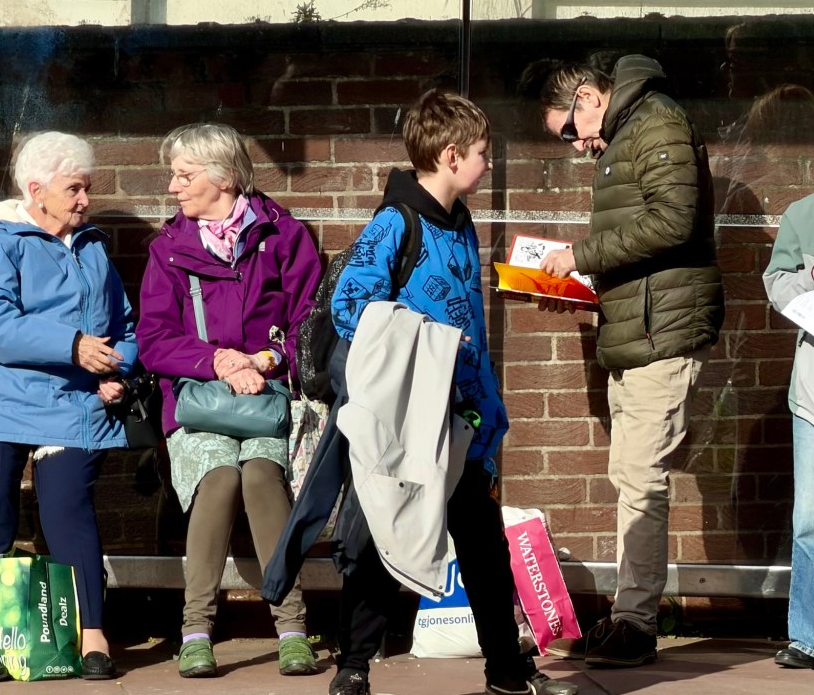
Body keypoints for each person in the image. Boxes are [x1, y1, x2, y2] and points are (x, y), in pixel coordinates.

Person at [325, 89, 577, 695]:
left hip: (464, 416)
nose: (488, 164)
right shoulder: (396, 222)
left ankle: (507, 672)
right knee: (396, 541)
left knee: (485, 550)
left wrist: (487, 408)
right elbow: (350, 306)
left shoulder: (459, 219)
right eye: (483, 154)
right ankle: (354, 666)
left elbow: (466, 316)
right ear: (450, 154)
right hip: (417, 417)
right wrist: (427, 346)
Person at [532, 55, 724, 667]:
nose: (575, 144)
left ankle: (637, 624)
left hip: (659, 335)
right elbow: (644, 236)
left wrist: (581, 256)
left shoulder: (655, 123)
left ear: (589, 95)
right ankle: (629, 616)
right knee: (631, 478)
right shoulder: (631, 132)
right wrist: (584, 293)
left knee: (641, 480)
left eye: (569, 129)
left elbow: (674, 221)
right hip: (638, 329)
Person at [0, 131, 136, 682]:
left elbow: (124, 326)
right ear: (36, 189)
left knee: (69, 512)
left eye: (87, 188)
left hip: (71, 402)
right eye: (75, 188)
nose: (85, 200)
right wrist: (72, 346)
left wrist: (120, 368)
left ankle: (92, 636)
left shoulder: (91, 247)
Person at [136, 123, 322, 678]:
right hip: (197, 398)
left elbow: (310, 321)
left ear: (222, 177)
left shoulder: (283, 236)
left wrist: (264, 363)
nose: (173, 187)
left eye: (183, 175)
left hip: (266, 393)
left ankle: (292, 626)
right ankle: (196, 630)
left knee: (263, 477)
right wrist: (218, 360)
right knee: (217, 481)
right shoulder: (169, 250)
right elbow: (154, 338)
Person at [763, 195, 814, 670]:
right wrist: (811, 278)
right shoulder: (803, 215)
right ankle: (808, 635)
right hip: (813, 395)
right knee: (810, 521)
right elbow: (776, 284)